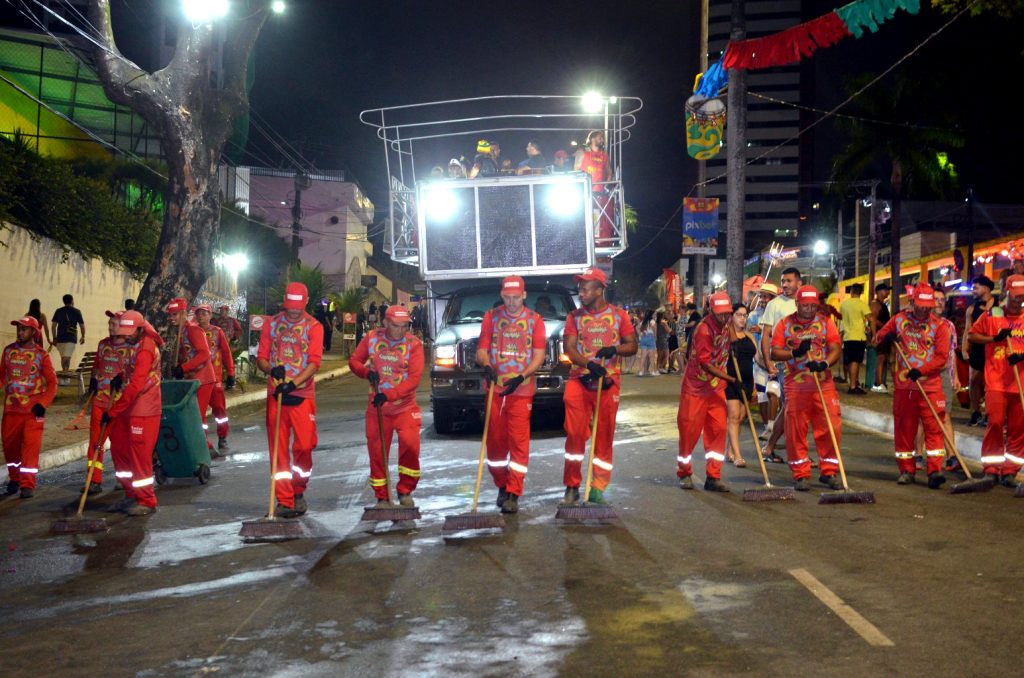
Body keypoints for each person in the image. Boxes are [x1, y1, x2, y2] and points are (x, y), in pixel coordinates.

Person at [559, 267, 638, 505]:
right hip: (579, 380)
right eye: (580, 288)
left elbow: (632, 345)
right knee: (574, 434)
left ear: (600, 289)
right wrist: (588, 364)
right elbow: (569, 349)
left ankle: (597, 487)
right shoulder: (574, 317)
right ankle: (571, 485)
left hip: (608, 382)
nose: (580, 293)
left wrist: (615, 349)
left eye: (585, 288)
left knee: (604, 436)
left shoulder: (619, 316)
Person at [474, 276, 547, 513]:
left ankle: (514, 492)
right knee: (495, 445)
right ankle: (502, 483)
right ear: (502, 295)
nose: (512, 302)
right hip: (495, 389)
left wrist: (522, 376)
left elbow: (538, 356)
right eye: (507, 297)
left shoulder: (535, 320)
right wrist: (486, 365)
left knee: (518, 442)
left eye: (516, 297)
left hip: (522, 389)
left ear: (524, 295)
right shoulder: (491, 317)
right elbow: (482, 350)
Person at [874, 283, 953, 488]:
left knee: (934, 428)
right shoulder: (899, 320)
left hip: (931, 387)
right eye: (920, 305)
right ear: (912, 302)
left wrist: (923, 370)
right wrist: (886, 336)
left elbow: (942, 357)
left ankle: (935, 470)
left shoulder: (940, 326)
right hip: (904, 387)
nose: (924, 309)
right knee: (904, 429)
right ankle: (906, 470)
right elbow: (877, 338)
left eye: (928, 305)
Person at [257, 282, 324, 517]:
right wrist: (270, 370)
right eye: (290, 307)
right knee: (278, 451)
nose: (293, 312)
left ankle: (298, 489)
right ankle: (284, 499)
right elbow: (262, 357)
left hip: (301, 395)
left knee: (305, 446)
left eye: (297, 308)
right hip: (276, 395)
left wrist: (294, 383)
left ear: (305, 304)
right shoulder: (272, 324)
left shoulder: (314, 326)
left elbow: (315, 362)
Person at [770, 284, 843, 491]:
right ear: (797, 303)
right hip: (796, 386)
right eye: (805, 305)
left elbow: (835, 347)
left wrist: (825, 363)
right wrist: (795, 353)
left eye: (813, 305)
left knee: (831, 426)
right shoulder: (785, 324)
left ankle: (829, 472)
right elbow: (774, 352)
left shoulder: (826, 322)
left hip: (823, 383)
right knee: (796, 430)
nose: (810, 309)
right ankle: (800, 473)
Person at [349, 305, 424, 508]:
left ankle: (405, 490)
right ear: (385, 323)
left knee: (410, 446)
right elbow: (355, 361)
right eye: (395, 326)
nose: (400, 331)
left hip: (405, 408)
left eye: (404, 326)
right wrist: (366, 373)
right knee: (377, 451)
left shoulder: (414, 344)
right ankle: (382, 496)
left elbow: (414, 380)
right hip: (377, 409)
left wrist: (389, 395)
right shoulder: (372, 338)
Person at [102, 311, 163, 515]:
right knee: (120, 449)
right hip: (129, 406)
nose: (126, 336)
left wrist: (112, 411)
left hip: (144, 409)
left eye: (129, 332)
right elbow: (130, 373)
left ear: (139, 329)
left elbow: (137, 384)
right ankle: (130, 494)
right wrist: (119, 376)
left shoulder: (146, 347)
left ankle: (146, 500)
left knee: (139, 456)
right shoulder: (132, 344)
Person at [967, 273, 1024, 488]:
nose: (1019, 300)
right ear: (1007, 293)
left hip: (1020, 383)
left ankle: (1010, 471)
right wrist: (994, 338)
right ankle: (991, 469)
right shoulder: (994, 315)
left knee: (1019, 429)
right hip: (997, 381)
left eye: (1022, 296)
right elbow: (972, 335)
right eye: (1016, 295)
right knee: (996, 424)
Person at [677, 292, 735, 492]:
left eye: (727, 313)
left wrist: (732, 347)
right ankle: (684, 472)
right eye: (720, 314)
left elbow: (731, 339)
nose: (724, 318)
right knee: (689, 432)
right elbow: (706, 364)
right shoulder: (703, 329)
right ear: (711, 311)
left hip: (715, 387)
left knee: (718, 429)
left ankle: (713, 476)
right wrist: (731, 379)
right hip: (696, 388)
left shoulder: (727, 324)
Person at [1, 316, 57, 498]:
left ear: (34, 332)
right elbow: (2, 376)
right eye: (18, 328)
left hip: (34, 411)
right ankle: (15, 479)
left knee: (30, 448)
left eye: (24, 328)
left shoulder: (42, 355)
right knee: (10, 448)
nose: (20, 332)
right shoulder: (8, 351)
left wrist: (43, 404)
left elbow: (52, 383)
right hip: (11, 409)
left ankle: (27, 484)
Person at [84, 310, 133, 494]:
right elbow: (97, 365)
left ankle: (124, 478)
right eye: (110, 323)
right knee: (95, 444)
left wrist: (123, 378)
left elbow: (135, 372)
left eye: (114, 323)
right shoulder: (103, 344)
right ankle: (93, 480)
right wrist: (94, 379)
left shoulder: (131, 347)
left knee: (120, 444)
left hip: (120, 405)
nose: (110, 327)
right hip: (100, 402)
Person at [760, 268, 802, 460]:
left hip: (805, 365)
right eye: (783, 281)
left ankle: (772, 447)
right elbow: (766, 335)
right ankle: (785, 450)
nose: (784, 284)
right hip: (784, 364)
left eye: (789, 281)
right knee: (791, 408)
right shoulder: (774, 305)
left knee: (794, 409)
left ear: (799, 282)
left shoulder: (807, 305)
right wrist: (768, 361)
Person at [166, 298, 217, 451]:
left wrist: (183, 368)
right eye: (170, 315)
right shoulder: (179, 332)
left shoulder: (194, 330)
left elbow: (204, 354)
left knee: (196, 415)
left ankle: (204, 447)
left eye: (175, 315)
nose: (172, 318)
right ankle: (202, 445)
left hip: (203, 379)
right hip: (191, 380)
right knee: (194, 415)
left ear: (184, 314)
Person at [195, 304, 236, 455]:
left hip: (216, 378)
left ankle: (222, 437)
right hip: (200, 379)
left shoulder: (217, 332)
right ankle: (203, 441)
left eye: (204, 314)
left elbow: (226, 353)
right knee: (200, 412)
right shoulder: (193, 332)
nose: (201, 316)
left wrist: (230, 373)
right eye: (198, 314)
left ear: (210, 315)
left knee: (219, 410)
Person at [725, 303, 759, 468]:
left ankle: (730, 450)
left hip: (747, 381)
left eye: (745, 315)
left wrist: (770, 366)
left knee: (740, 418)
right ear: (732, 316)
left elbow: (758, 358)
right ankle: (738, 455)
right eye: (739, 315)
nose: (742, 318)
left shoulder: (749, 336)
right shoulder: (726, 337)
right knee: (733, 416)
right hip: (731, 380)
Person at [964, 275, 996, 426]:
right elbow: (967, 330)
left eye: (975, 287)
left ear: (986, 288)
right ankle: (976, 412)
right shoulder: (971, 309)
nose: (973, 291)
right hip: (977, 348)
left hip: (994, 348)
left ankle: (991, 414)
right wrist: (965, 348)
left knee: (991, 383)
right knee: (973, 380)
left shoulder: (999, 306)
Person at [748, 283, 778, 430]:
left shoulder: (781, 316)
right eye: (761, 296)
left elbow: (782, 335)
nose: (762, 299)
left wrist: (764, 331)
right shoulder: (753, 316)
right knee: (762, 396)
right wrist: (759, 359)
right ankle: (767, 426)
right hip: (759, 363)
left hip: (776, 362)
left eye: (766, 296)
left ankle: (772, 425)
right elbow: (750, 339)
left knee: (773, 393)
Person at [575, 130, 613, 242]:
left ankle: (594, 240)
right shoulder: (583, 151)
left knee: (595, 218)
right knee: (581, 216)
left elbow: (609, 172)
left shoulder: (604, 155)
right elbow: (576, 169)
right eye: (600, 137)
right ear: (592, 139)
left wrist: (606, 184)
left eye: (602, 138)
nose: (602, 140)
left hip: (598, 193)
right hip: (584, 192)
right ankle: (580, 240)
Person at [839, 283, 873, 394]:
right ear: (861, 292)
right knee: (855, 361)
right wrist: (873, 332)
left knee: (851, 361)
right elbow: (871, 319)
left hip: (847, 337)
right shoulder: (862, 304)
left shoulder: (844, 305)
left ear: (852, 292)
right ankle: (853, 386)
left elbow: (843, 319)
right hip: (858, 336)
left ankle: (854, 382)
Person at [52, 294, 85, 371]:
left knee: (65, 357)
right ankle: (65, 375)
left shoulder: (58, 311)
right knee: (65, 358)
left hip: (60, 338)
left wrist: (54, 338)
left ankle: (65, 376)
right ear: (72, 300)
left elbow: (53, 326)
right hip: (71, 338)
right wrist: (83, 336)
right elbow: (82, 326)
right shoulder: (77, 311)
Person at [870, 282, 893, 392]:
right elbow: (873, 320)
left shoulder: (882, 304)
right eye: (886, 290)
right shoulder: (875, 304)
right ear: (879, 292)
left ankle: (879, 383)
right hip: (880, 335)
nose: (888, 292)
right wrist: (875, 335)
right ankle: (878, 384)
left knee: (883, 358)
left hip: (883, 334)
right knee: (881, 358)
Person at [636, 310, 658, 376]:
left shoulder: (644, 321)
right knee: (652, 357)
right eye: (654, 314)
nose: (655, 316)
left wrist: (640, 334)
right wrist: (655, 335)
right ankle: (653, 371)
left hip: (644, 338)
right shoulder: (652, 321)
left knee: (643, 356)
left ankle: (640, 371)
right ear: (651, 315)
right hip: (651, 338)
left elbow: (637, 328)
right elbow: (654, 328)